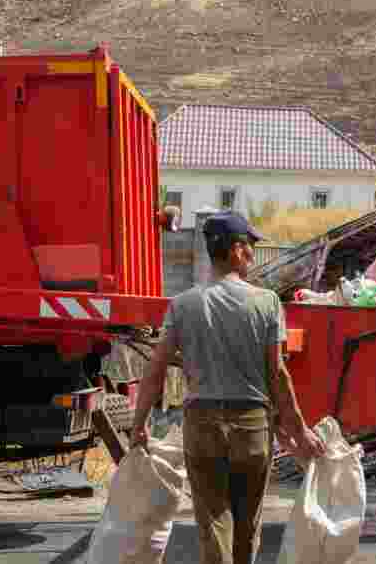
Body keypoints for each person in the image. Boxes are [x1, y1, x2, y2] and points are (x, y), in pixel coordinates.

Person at [131, 211, 325, 564]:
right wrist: (300, 431)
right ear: (236, 251)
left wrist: (140, 423)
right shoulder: (265, 303)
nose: (252, 253)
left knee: (212, 523)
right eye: (250, 246)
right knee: (247, 525)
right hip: (251, 427)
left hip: (201, 426)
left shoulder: (183, 304)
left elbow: (156, 368)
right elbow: (278, 374)